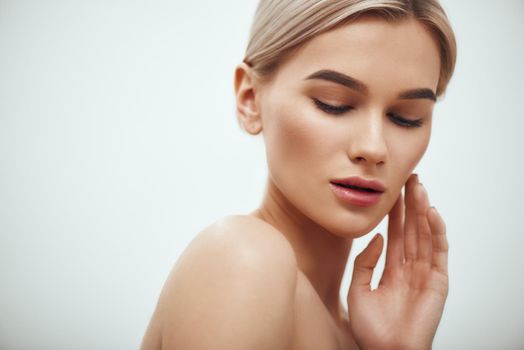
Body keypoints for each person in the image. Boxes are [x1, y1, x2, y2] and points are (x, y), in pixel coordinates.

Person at [140, 0, 457, 349]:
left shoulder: (365, 333)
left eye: (406, 117)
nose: (374, 147)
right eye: (332, 103)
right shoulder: (243, 259)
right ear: (250, 99)